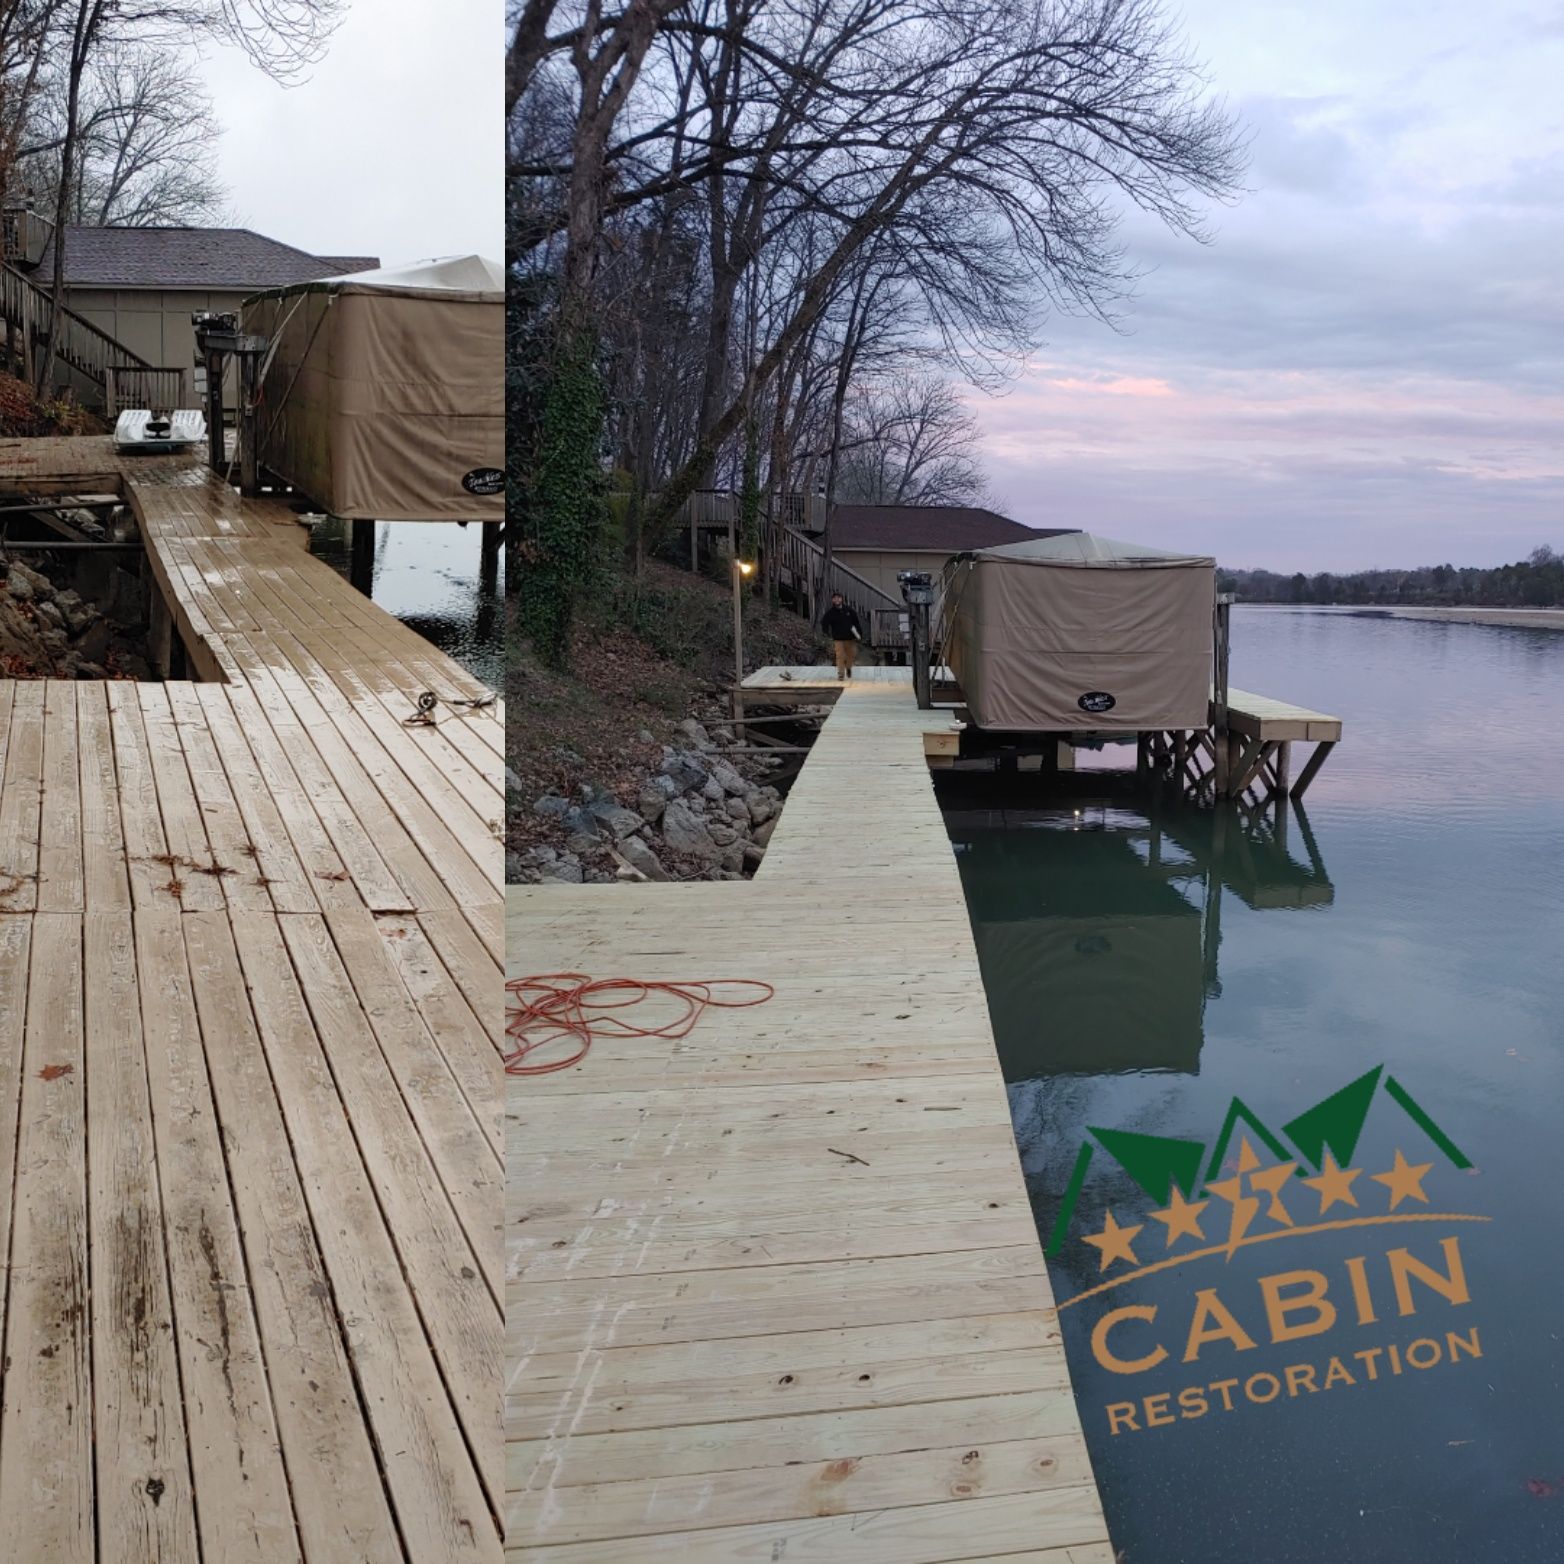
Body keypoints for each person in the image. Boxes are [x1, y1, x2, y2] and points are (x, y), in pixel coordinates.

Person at [820, 592, 864, 679]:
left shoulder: (849, 610)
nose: (837, 600)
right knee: (840, 656)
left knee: (851, 655)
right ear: (832, 600)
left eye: (838, 598)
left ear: (841, 599)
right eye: (835, 598)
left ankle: (848, 667)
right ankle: (841, 673)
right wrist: (826, 632)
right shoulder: (830, 613)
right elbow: (824, 622)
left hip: (850, 638)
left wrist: (859, 634)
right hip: (838, 638)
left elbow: (856, 622)